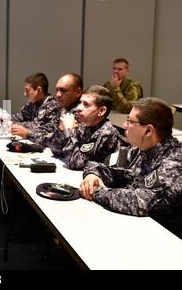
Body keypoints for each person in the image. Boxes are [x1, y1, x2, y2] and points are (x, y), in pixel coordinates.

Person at [79, 97, 182, 236]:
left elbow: (141, 202)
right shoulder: (140, 149)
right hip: (133, 229)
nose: (124, 125)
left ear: (148, 131)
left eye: (130, 121)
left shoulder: (174, 162)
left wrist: (95, 191)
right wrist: (93, 175)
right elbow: (105, 167)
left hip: (161, 241)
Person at [49, 85, 120, 170]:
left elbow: (75, 163)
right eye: (80, 103)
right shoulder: (84, 125)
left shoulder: (107, 134)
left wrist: (69, 130)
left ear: (101, 111)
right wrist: (61, 130)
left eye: (86, 104)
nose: (78, 108)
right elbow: (55, 150)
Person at [26, 73, 83, 147]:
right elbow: (48, 128)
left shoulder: (81, 113)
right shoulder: (64, 110)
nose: (58, 95)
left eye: (63, 90)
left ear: (78, 92)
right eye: (57, 90)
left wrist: (28, 134)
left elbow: (57, 144)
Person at [10, 72, 59, 139]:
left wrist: (14, 125)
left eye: (27, 91)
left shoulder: (52, 105)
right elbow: (20, 116)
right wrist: (6, 119)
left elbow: (37, 126)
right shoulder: (32, 103)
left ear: (39, 90)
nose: (25, 94)